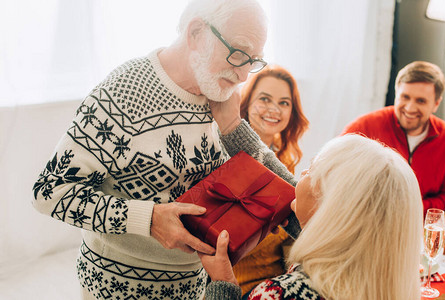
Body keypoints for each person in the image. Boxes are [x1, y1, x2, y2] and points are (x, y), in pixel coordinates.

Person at [31, 1, 301, 299]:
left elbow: (276, 187)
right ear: (196, 32)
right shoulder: (123, 93)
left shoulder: (221, 93)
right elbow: (49, 192)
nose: (243, 76)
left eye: (254, 61)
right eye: (238, 54)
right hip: (117, 286)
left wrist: (235, 127)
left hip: (195, 286)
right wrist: (147, 219)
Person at [200, 134, 423, 300]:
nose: (302, 175)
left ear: (330, 205)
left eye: (312, 168)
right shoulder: (384, 280)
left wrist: (223, 285)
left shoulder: (279, 294)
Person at [233, 65, 309, 297]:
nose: (274, 109)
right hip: (242, 284)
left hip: (280, 278)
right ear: (246, 104)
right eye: (265, 99)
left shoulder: (286, 157)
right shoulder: (230, 159)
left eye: (284, 103)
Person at [341, 61, 445, 216]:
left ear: (436, 104)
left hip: (421, 229)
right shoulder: (362, 127)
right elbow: (333, 174)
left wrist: (411, 207)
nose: (410, 108)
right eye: (405, 97)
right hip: (367, 221)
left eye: (421, 101)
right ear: (396, 92)